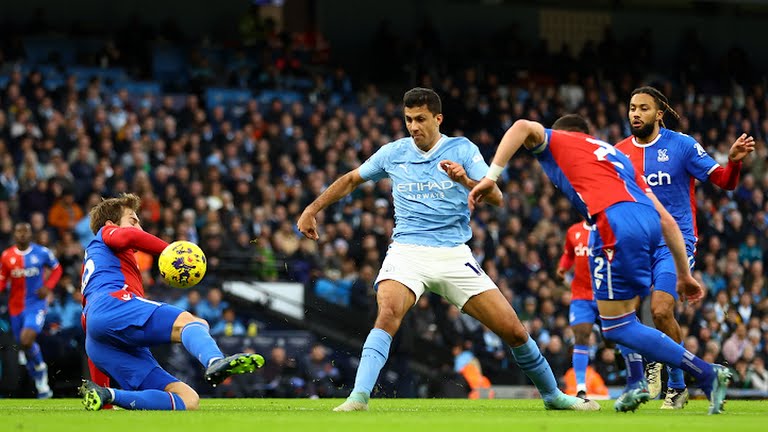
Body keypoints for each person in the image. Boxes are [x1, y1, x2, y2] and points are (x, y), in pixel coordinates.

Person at [298, 87, 599, 412]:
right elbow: (351, 179)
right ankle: (358, 398)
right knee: (387, 314)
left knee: (512, 329)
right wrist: (311, 210)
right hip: (407, 252)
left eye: (421, 119)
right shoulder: (394, 152)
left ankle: (554, 396)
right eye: (409, 119)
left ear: (438, 118)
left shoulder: (462, 150)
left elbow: (497, 198)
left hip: (454, 255)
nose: (414, 127)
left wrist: (466, 180)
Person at [469, 114, 731, 414]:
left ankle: (706, 374)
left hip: (613, 222)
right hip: (647, 223)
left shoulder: (561, 141)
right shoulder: (616, 156)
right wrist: (684, 273)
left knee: (617, 327)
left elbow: (522, 126)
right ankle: (654, 382)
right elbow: (667, 220)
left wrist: (491, 177)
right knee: (624, 321)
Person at [615, 86, 755, 409]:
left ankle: (676, 386)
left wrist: (733, 163)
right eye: (632, 108)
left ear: (659, 114)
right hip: (636, 243)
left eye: (643, 108)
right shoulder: (619, 152)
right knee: (619, 314)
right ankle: (653, 366)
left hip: (674, 243)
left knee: (661, 310)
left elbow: (724, 182)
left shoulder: (682, 145)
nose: (636, 114)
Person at [77, 193, 264, 411]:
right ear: (111, 224)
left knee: (188, 399)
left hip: (97, 335)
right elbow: (125, 237)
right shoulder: (105, 233)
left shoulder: (99, 262)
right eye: (132, 220)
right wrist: (170, 251)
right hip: (114, 306)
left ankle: (110, 395)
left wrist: (101, 392)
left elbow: (92, 324)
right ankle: (214, 361)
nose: (139, 225)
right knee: (192, 321)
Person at [0, 222, 62, 398]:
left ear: (30, 235)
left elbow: (57, 269)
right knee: (23, 344)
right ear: (14, 235)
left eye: (25, 232)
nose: (21, 235)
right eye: (18, 232)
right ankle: (39, 376)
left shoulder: (41, 253)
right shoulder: (7, 256)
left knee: (26, 340)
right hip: (15, 307)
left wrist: (48, 287)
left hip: (35, 305)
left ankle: (40, 373)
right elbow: (2, 280)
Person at [555, 220, 598, 398]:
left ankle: (633, 379)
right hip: (581, 296)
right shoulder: (574, 230)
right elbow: (568, 254)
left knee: (616, 336)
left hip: (606, 293)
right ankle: (581, 387)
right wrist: (563, 268)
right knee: (581, 337)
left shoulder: (610, 227)